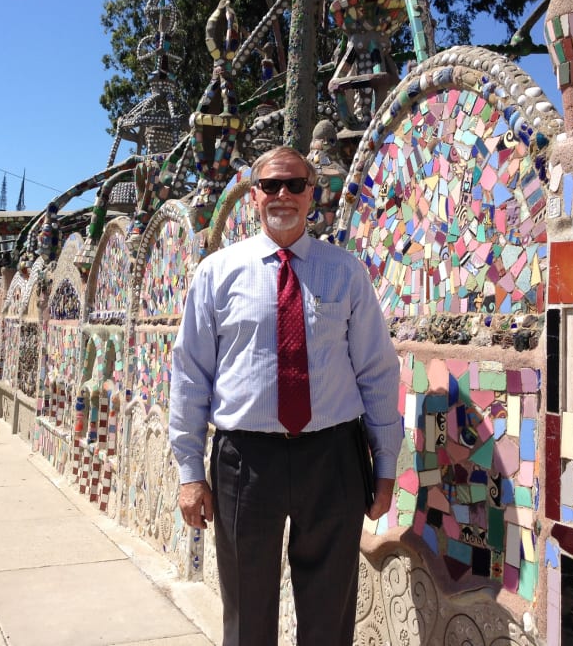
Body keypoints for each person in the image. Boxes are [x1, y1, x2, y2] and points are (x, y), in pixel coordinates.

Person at [169, 145, 402, 646]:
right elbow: (190, 375)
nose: (282, 195)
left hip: (333, 456)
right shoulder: (216, 273)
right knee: (247, 614)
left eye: (294, 184)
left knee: (329, 612)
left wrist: (385, 469)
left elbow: (377, 373)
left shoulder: (345, 272)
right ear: (253, 196)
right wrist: (190, 473)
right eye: (270, 185)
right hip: (244, 462)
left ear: (311, 194)